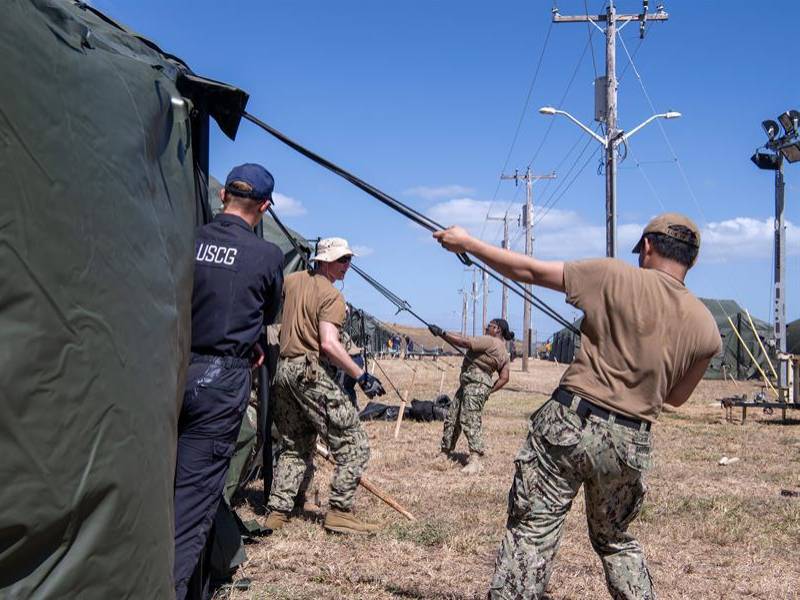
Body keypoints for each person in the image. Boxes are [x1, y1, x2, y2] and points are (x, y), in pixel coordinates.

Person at [434, 213, 721, 600]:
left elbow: (528, 270)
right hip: (628, 442)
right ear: (693, 259)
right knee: (615, 539)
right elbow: (675, 398)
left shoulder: (613, 276)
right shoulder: (707, 328)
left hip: (569, 422)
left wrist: (468, 244)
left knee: (533, 532)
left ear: (648, 247)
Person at [174, 164, 284, 600]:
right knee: (192, 504)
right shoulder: (268, 256)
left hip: (169, 370)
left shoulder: (189, 239)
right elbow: (266, 312)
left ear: (223, 196)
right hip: (222, 381)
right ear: (265, 206)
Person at [265, 237, 386, 535]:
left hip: (282, 372)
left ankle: (277, 513)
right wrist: (362, 376)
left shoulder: (291, 281)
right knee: (355, 442)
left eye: (348, 260)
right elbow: (329, 344)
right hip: (309, 373)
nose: (347, 266)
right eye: (342, 260)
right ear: (325, 261)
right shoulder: (332, 296)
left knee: (294, 444)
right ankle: (340, 512)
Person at [428, 319, 513, 474]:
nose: (487, 328)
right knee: (453, 417)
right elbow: (504, 378)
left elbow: (465, 342)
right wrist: (488, 390)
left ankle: (475, 459)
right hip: (473, 385)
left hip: (474, 384)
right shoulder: (504, 352)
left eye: (490, 326)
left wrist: (442, 333)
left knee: (470, 419)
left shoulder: (491, 341)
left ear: (498, 329)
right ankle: (445, 453)